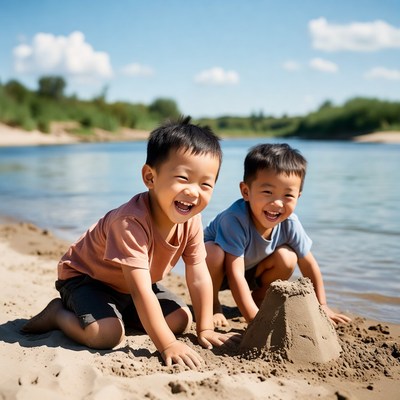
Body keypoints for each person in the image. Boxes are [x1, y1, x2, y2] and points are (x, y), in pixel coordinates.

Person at [22, 116, 239, 369]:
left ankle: (119, 314)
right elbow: (141, 291)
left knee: (181, 318)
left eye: (205, 184)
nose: (194, 192)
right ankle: (58, 315)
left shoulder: (191, 219)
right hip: (88, 280)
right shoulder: (130, 222)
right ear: (150, 177)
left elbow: (198, 274)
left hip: (134, 284)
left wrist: (205, 327)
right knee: (106, 335)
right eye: (183, 178)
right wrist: (167, 344)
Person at [204, 143, 351, 328]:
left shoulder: (290, 223)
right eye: (267, 192)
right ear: (246, 191)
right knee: (213, 252)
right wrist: (254, 321)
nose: (278, 203)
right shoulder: (234, 219)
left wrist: (322, 306)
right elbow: (235, 273)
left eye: (288, 195)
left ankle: (259, 300)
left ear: (299, 196)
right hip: (216, 272)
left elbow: (309, 265)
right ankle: (212, 305)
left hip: (251, 270)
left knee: (288, 257)